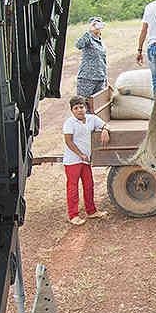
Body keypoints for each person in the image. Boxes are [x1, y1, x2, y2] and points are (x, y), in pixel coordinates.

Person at [63, 96, 110, 225]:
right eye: (76, 108)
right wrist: (80, 154)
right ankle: (73, 215)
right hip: (73, 160)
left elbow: (104, 124)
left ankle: (91, 211)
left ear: (86, 108)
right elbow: (68, 141)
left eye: (81, 107)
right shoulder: (70, 123)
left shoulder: (91, 119)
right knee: (73, 187)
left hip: (85, 160)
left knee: (89, 185)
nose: (79, 110)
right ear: (72, 110)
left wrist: (105, 130)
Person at [75, 16, 108, 100]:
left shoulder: (101, 42)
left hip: (100, 78)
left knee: (97, 106)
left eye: (98, 24)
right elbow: (78, 45)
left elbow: (103, 61)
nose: (97, 27)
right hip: (87, 78)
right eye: (94, 24)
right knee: (82, 104)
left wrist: (105, 78)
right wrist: (89, 31)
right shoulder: (88, 39)